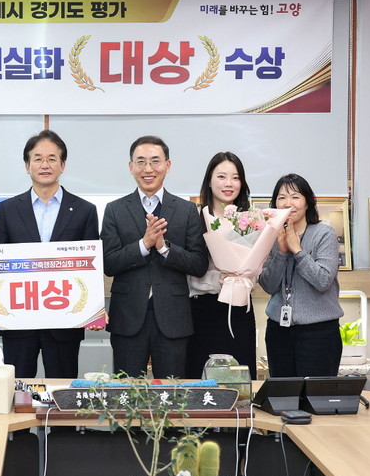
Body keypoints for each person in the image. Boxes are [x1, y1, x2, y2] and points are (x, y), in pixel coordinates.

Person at [0, 130, 100, 379]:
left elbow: (91, 267)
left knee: (63, 392)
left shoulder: (84, 210)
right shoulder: (8, 209)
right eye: (38, 158)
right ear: (27, 165)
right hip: (18, 322)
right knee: (17, 391)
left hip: (65, 322)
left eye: (52, 159)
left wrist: (94, 310)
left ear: (63, 165)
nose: (45, 165)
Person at [101, 135, 208, 379]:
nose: (148, 169)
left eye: (155, 161)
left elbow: (199, 264)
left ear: (167, 165)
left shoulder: (187, 210)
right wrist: (144, 244)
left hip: (173, 317)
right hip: (128, 317)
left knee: (172, 393)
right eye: (140, 162)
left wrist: (163, 248)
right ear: (131, 167)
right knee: (126, 392)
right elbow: (109, 263)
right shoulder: (114, 210)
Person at [258, 173, 343, 378]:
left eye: (295, 197)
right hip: (279, 330)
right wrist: (281, 252)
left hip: (319, 333)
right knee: (284, 394)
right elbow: (268, 285)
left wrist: (297, 250)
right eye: (282, 197)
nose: (288, 203)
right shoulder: (270, 236)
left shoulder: (324, 234)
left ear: (307, 202)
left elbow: (322, 281)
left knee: (316, 394)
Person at [186, 152, 257, 379]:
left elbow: (257, 267)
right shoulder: (194, 218)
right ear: (209, 180)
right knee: (200, 381)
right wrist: (216, 280)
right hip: (202, 311)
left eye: (235, 178)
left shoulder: (251, 221)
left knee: (239, 381)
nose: (229, 183)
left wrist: (244, 278)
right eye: (222, 176)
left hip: (239, 311)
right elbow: (186, 270)